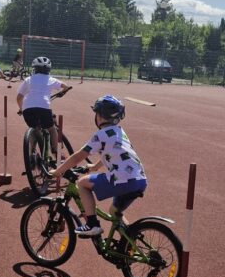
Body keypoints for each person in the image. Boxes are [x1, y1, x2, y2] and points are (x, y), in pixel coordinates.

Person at [51, 94, 147, 237]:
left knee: (82, 183)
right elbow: (116, 153)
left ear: (100, 116)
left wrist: (58, 171)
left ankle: (92, 224)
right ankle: (129, 241)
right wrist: (95, 166)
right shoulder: (120, 132)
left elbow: (79, 155)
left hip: (123, 179)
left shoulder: (101, 135)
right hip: (140, 180)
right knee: (115, 212)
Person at [16, 56, 72, 165]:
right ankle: (56, 151)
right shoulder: (50, 79)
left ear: (34, 69)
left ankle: (31, 154)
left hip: (28, 109)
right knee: (51, 128)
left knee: (34, 128)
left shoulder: (28, 79)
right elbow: (65, 86)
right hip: (43, 108)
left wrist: (21, 109)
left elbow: (19, 97)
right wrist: (62, 92)